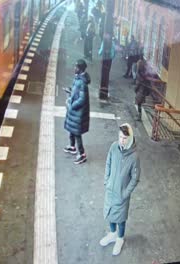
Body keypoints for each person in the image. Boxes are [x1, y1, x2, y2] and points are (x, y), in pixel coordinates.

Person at [100, 123, 140, 256]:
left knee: (121, 219)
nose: (121, 140)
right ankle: (112, 234)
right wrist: (106, 180)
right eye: (120, 137)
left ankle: (120, 238)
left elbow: (135, 178)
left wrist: (125, 193)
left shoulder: (134, 157)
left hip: (122, 194)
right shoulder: (113, 147)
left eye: (124, 138)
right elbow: (108, 163)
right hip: (111, 190)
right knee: (110, 214)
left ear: (129, 138)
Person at [63, 59, 91, 164]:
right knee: (72, 130)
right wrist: (70, 90)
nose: (74, 68)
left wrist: (71, 106)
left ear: (80, 69)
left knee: (77, 133)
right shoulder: (78, 78)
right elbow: (77, 92)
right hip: (74, 112)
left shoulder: (82, 82)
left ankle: (82, 154)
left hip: (78, 113)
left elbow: (82, 99)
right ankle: (72, 146)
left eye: (76, 67)